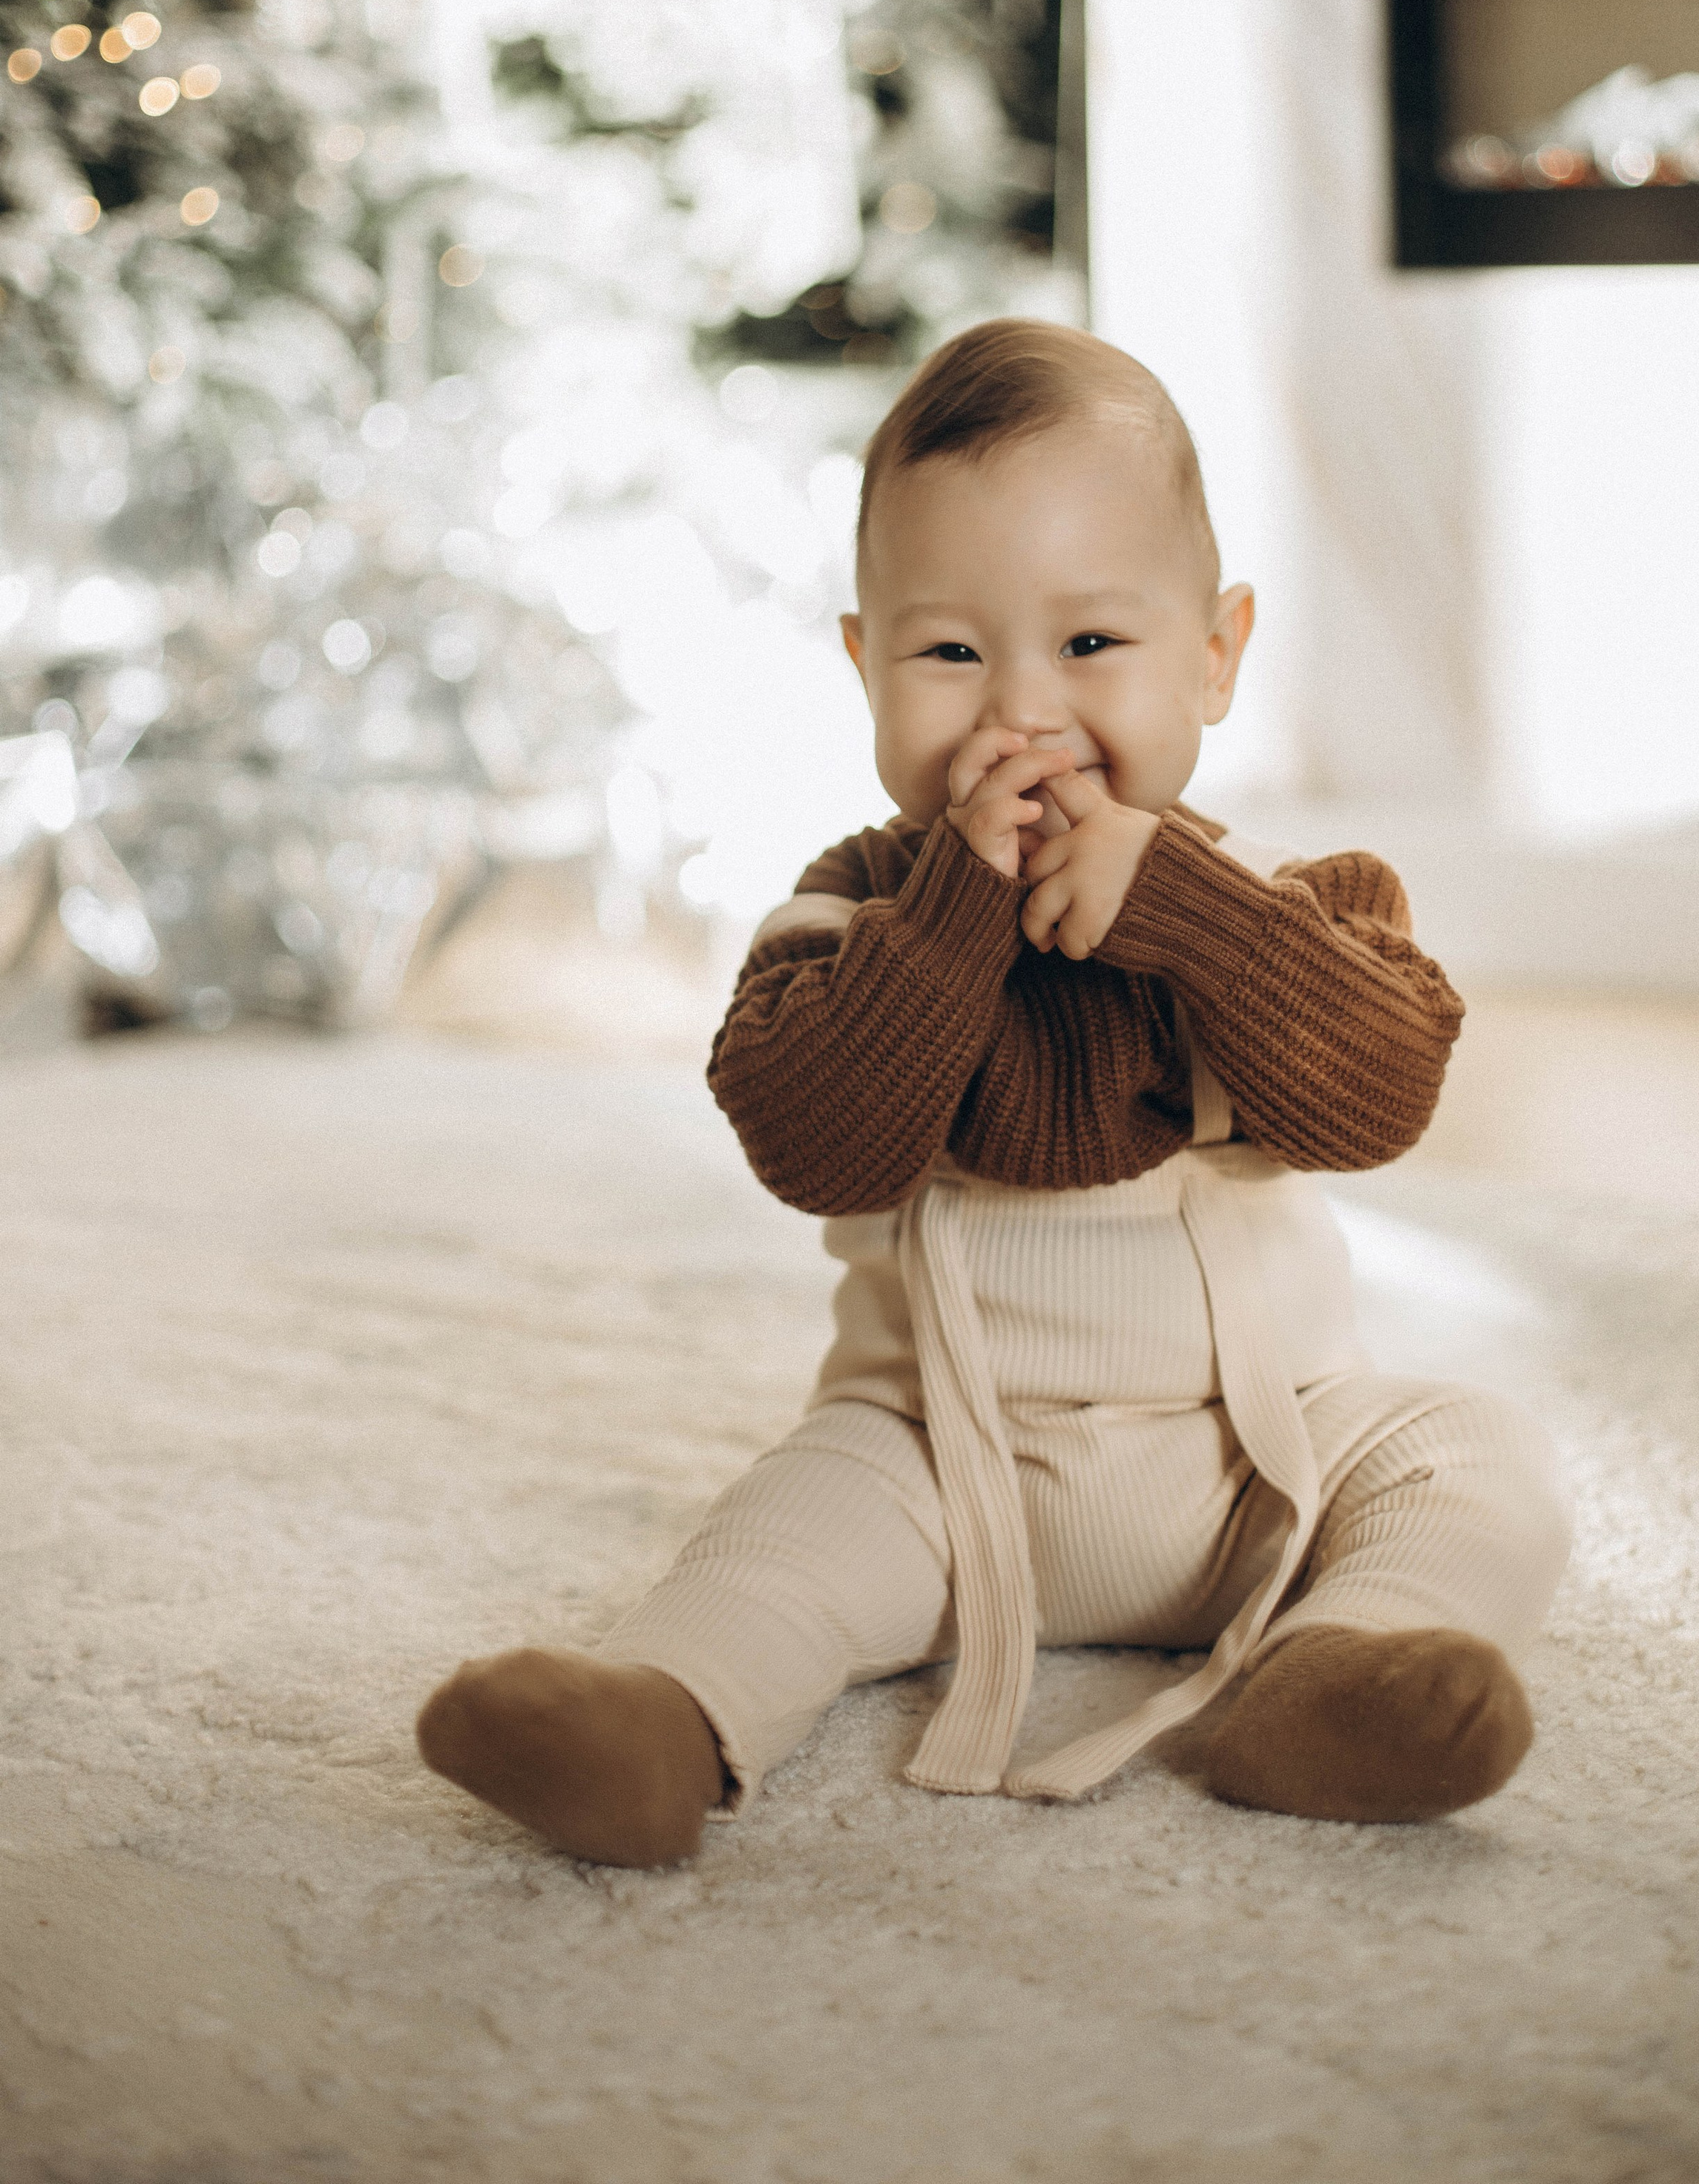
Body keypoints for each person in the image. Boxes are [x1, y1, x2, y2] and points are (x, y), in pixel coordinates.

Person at [418, 321, 1571, 1868]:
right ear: (864, 665)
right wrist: (954, 914)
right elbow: (815, 1147)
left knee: (1476, 1457)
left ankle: (1333, 1678)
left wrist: (1187, 915)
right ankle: (661, 1725)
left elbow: (1380, 1099)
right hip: (942, 1473)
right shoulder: (845, 914)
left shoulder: (1287, 903)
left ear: (1215, 656)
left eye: (1090, 646)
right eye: (951, 655)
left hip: (1262, 1467)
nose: (1020, 714)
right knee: (787, 1530)